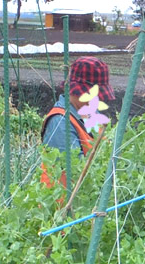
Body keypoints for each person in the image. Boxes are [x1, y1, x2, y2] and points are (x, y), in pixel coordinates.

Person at [40, 56, 115, 189]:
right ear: (74, 91)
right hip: (62, 206)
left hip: (88, 202)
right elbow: (77, 171)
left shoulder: (91, 112)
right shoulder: (60, 122)